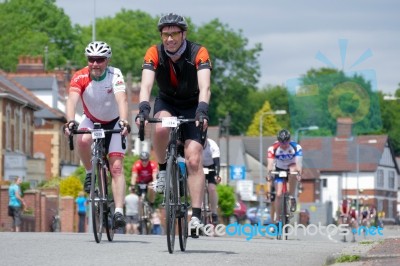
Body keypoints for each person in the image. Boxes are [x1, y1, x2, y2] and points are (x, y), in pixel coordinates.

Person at [135, 13, 212, 238]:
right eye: (165, 34)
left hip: (192, 105)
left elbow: (205, 86)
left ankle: (196, 215)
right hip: (167, 101)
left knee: (194, 159)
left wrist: (202, 110)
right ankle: (161, 170)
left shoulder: (198, 52)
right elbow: (146, 84)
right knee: (159, 128)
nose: (170, 39)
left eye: (174, 33)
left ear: (183, 34)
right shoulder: (154, 52)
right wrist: (143, 108)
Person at [64, 41, 130, 229]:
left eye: (100, 59)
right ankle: (90, 171)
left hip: (114, 121)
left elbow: (122, 99)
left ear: (107, 60)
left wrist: (124, 121)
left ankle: (118, 211)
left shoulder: (115, 74)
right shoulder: (80, 76)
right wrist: (69, 121)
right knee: (83, 140)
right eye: (91, 59)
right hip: (91, 119)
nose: (95, 64)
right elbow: (72, 100)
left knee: (116, 167)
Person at [266, 129, 302, 224]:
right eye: (282, 142)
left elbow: (298, 163)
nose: (284, 145)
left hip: (292, 166)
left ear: (289, 140)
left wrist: (299, 173)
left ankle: (291, 196)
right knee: (278, 194)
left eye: (286, 142)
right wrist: (269, 173)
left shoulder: (296, 147)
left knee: (293, 170)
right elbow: (270, 164)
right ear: (278, 141)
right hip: (280, 168)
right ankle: (277, 218)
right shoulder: (273, 148)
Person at [202, 138, 222, 225]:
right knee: (199, 187)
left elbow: (217, 163)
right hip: (200, 166)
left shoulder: (213, 146)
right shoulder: (196, 145)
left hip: (212, 167)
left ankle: (214, 212)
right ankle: (199, 208)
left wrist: (217, 175)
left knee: (212, 188)